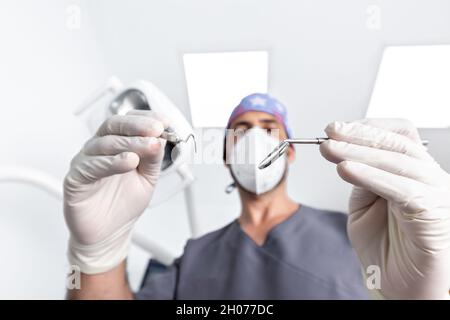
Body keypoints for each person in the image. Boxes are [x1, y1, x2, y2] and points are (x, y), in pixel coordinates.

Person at [64, 94, 450, 300]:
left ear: (292, 149)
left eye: (268, 129)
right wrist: (97, 254)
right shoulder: (196, 255)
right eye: (241, 131)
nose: (254, 140)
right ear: (227, 153)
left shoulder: (360, 235)